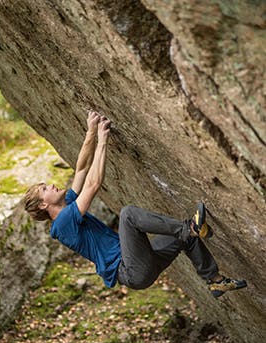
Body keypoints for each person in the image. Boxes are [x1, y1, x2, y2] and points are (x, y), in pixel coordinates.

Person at [23, 111, 247, 298]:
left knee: (184, 236)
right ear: (43, 206)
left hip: (141, 263)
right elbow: (92, 184)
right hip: (130, 270)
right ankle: (189, 228)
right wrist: (102, 141)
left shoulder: (68, 206)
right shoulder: (62, 223)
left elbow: (81, 170)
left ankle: (214, 280)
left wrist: (90, 132)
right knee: (128, 214)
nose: (51, 185)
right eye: (45, 189)